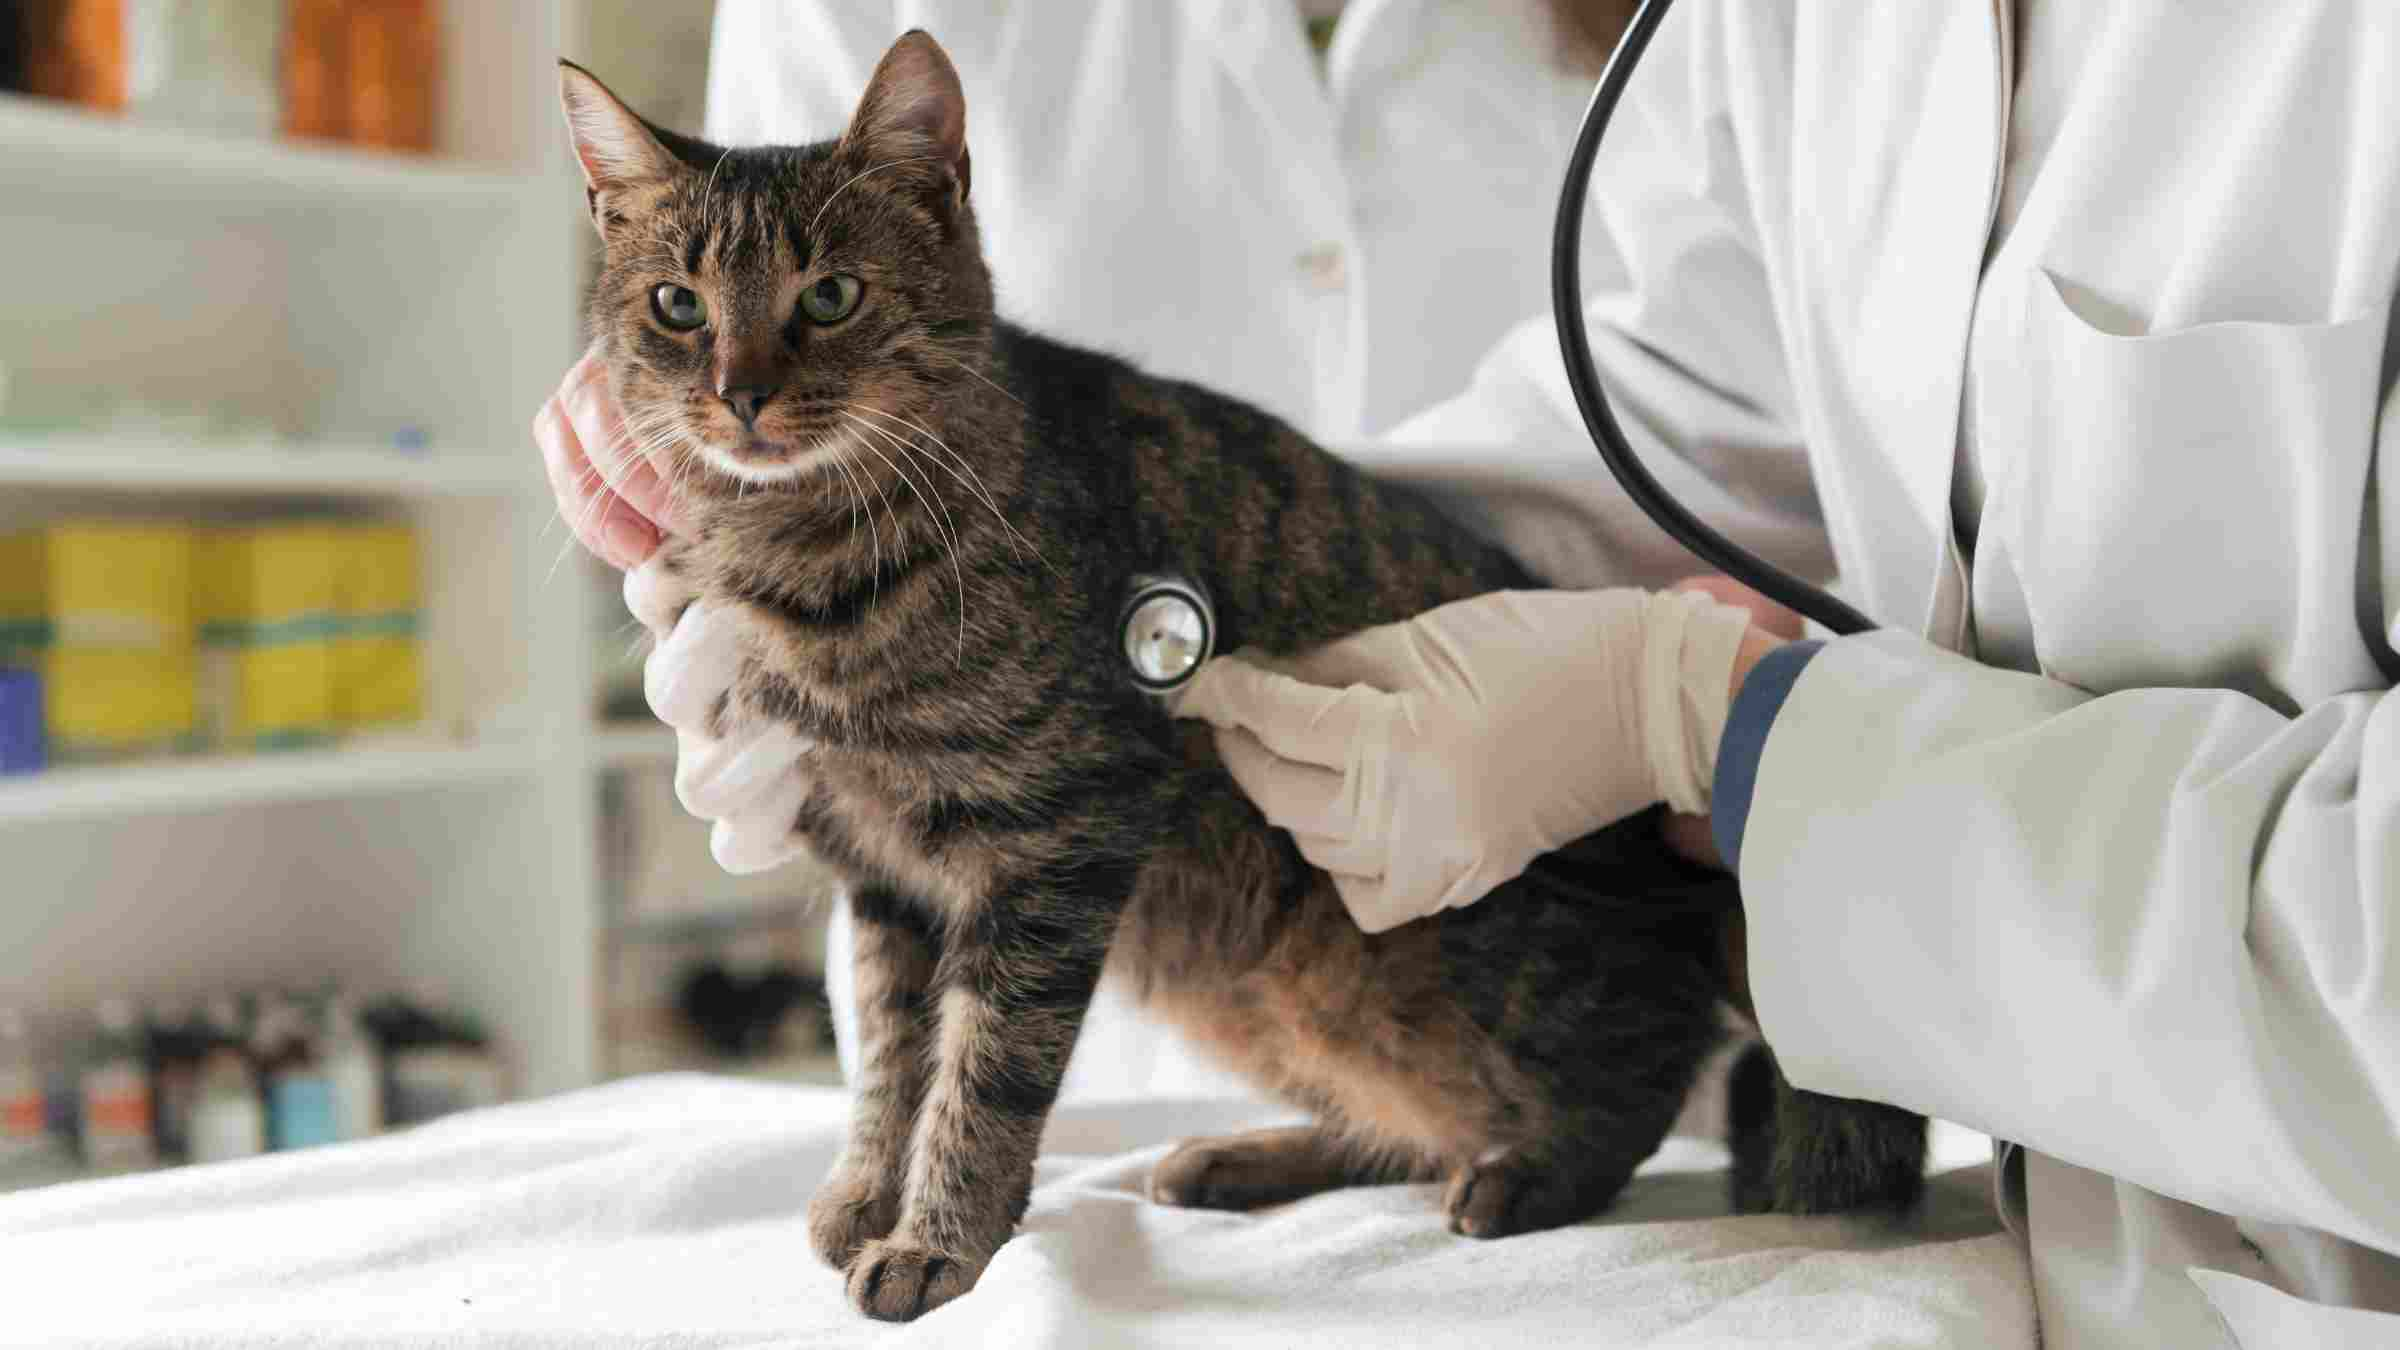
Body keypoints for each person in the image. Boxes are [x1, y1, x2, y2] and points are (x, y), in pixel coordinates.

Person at [539, 3, 2400, 1345]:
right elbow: (1639, 447)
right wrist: (975, 625)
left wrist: (1736, 735)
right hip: (1992, 1209)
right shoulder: (1808, 34)